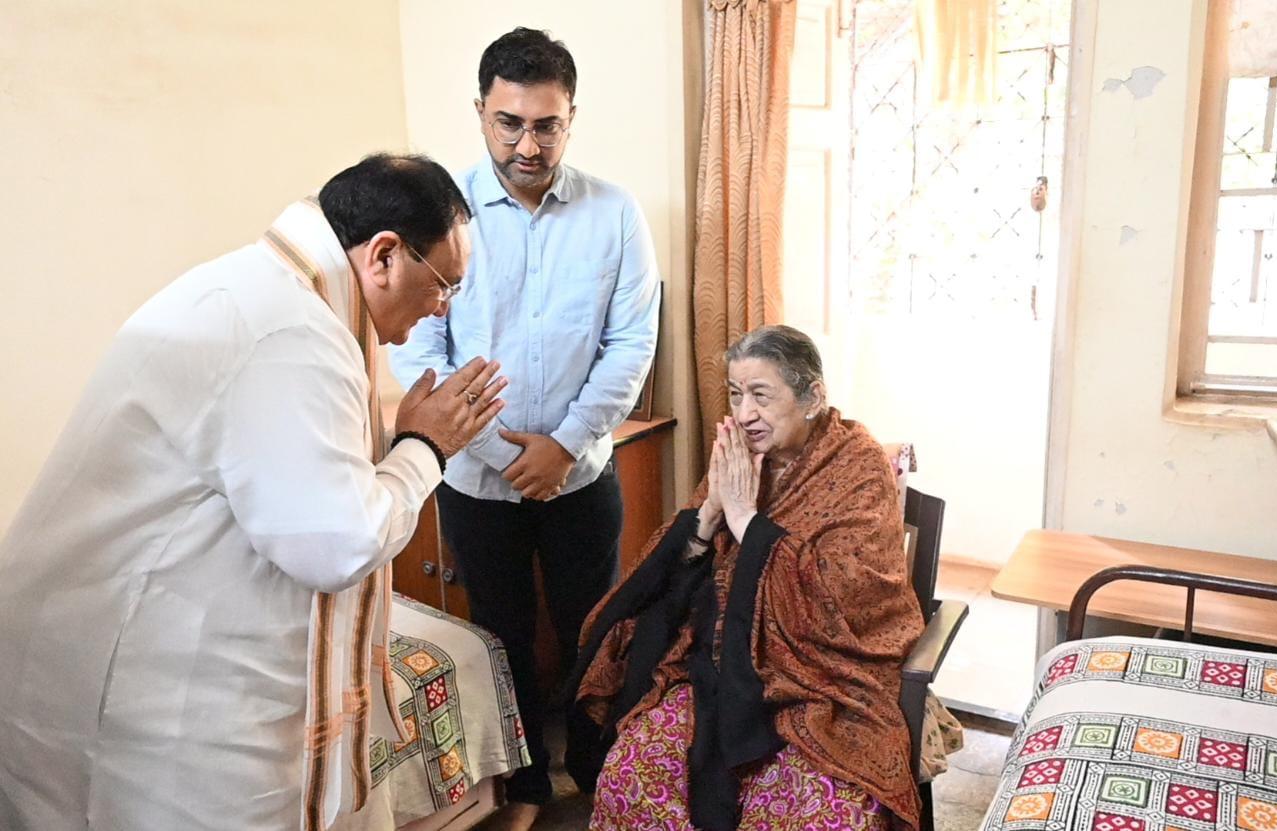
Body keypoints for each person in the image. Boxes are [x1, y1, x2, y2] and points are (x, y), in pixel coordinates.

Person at [0, 154, 508, 831]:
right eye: (444, 283)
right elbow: (340, 542)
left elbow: (295, 485)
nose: (444, 305)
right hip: (145, 676)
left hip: (172, 631)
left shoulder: (275, 294)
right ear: (384, 255)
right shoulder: (290, 331)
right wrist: (427, 448)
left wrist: (401, 445)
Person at [389, 27, 660, 828]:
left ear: (571, 119)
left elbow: (631, 342)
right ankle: (528, 787)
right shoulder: (441, 212)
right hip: (474, 479)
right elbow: (418, 348)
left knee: (594, 630)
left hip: (582, 475)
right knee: (497, 637)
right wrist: (492, 450)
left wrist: (564, 443)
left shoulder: (615, 213)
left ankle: (591, 765)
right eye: (510, 122)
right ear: (481, 113)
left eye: (546, 124)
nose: (527, 143)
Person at [568, 325, 927, 831]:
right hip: (717, 668)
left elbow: (848, 594)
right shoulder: (741, 454)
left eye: (761, 395)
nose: (744, 414)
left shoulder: (856, 462)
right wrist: (710, 518)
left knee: (820, 815)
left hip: (821, 683)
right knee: (632, 775)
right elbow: (675, 562)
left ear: (812, 397)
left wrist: (746, 524)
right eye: (736, 395)